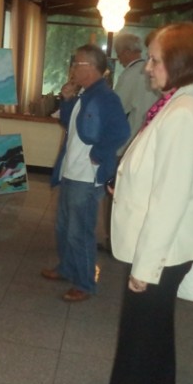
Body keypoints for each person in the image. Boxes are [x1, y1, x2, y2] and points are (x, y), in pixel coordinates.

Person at [87, 22, 193, 384]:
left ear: (178, 62)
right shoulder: (181, 102)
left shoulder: (183, 115)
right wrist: (125, 184)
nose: (147, 68)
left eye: (156, 61)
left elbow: (170, 201)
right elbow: (159, 172)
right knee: (156, 335)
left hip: (162, 251)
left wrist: (144, 268)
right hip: (168, 247)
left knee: (138, 344)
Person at [42, 44, 129, 303]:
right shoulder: (85, 94)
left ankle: (85, 283)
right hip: (71, 171)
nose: (72, 69)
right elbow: (70, 125)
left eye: (76, 64)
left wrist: (98, 154)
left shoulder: (106, 97)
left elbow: (121, 132)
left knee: (79, 231)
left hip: (86, 176)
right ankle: (67, 268)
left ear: (90, 67)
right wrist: (68, 100)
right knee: (64, 226)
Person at [99, 32, 161, 253]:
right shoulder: (155, 73)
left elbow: (117, 108)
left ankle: (112, 240)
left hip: (128, 143)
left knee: (116, 192)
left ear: (126, 52)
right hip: (152, 144)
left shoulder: (131, 74)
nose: (119, 59)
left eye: (119, 54)